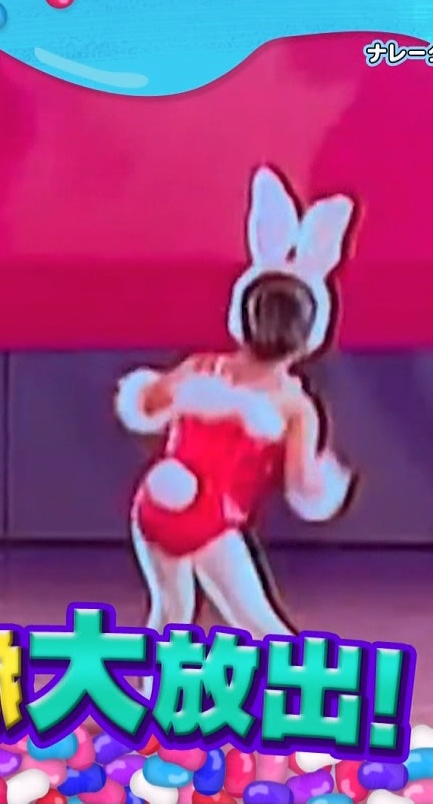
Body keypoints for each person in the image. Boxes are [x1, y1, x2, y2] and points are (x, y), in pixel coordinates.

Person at [113, 165, 356, 638]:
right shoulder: (294, 406)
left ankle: (147, 682)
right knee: (261, 625)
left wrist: (181, 395)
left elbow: (150, 403)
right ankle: (306, 687)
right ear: (309, 335)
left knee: (171, 610)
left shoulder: (204, 366)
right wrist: (328, 481)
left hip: (156, 503)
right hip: (210, 515)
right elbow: (303, 483)